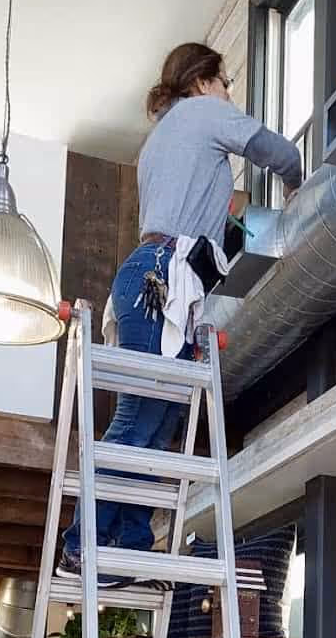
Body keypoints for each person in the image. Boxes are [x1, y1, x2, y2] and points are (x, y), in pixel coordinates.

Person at [59, 42, 303, 578]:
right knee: (140, 418)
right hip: (162, 281)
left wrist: (241, 212)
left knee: (158, 421)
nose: (229, 92)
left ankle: (127, 540)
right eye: (226, 81)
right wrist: (298, 188)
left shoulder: (160, 142)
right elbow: (278, 151)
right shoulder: (203, 112)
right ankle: (83, 541)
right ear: (201, 82)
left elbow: (204, 204)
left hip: (151, 278)